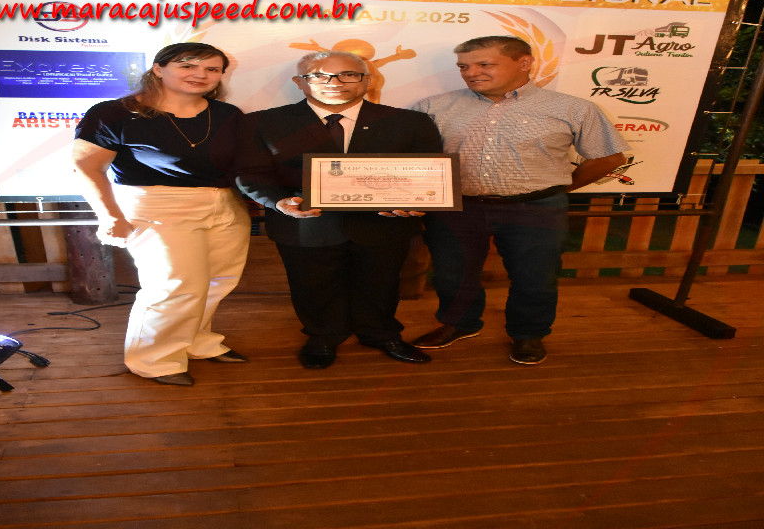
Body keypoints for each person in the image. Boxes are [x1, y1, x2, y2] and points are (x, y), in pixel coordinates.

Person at [410, 36, 629, 365]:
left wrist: (559, 187)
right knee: (452, 273)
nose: (471, 73)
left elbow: (609, 157)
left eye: (485, 64)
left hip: (537, 208)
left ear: (524, 63)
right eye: (463, 66)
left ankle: (528, 334)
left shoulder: (573, 108)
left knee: (535, 276)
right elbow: (409, 158)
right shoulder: (432, 107)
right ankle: (460, 323)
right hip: (457, 207)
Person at [236, 51, 442, 369]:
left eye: (349, 74)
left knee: (382, 284)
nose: (334, 82)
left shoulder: (410, 121)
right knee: (312, 285)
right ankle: (322, 336)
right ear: (299, 82)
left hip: (384, 223)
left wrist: (415, 201)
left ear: (367, 80)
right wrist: (277, 202)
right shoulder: (262, 122)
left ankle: (381, 333)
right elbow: (251, 173)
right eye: (319, 75)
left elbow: (426, 172)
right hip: (305, 223)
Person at [72, 43, 252, 386]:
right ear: (158, 68)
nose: (200, 75)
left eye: (212, 69)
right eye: (188, 66)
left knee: (219, 281)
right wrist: (110, 216)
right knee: (174, 286)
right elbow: (86, 167)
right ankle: (154, 359)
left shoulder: (228, 114)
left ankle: (196, 342)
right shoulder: (114, 113)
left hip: (225, 204)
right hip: (156, 206)